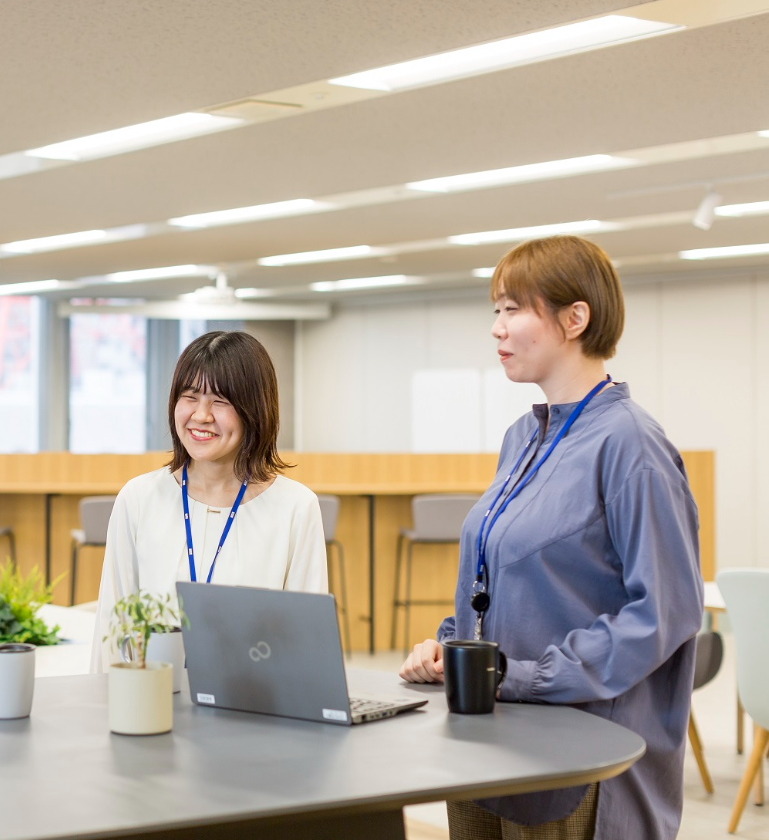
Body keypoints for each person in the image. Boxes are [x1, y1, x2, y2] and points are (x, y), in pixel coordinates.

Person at [399, 236, 703, 840]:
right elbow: (509, 579)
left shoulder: (631, 445)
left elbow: (664, 612)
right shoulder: (523, 437)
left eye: (513, 309)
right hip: (488, 744)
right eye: (495, 310)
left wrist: (529, 675)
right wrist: (451, 647)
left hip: (575, 764)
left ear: (575, 318)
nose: (497, 327)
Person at [90, 330, 328, 670]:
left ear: (255, 409)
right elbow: (112, 629)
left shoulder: (295, 507)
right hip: (153, 704)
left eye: (220, 401)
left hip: (252, 711)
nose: (201, 415)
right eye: (190, 397)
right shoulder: (140, 498)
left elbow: (307, 641)